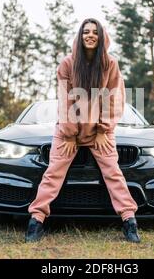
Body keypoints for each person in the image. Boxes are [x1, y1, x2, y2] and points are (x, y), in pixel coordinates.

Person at [25, 18, 140, 243]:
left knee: (114, 173)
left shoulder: (110, 64)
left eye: (94, 32)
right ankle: (36, 221)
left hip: (99, 131)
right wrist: (69, 134)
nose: (90, 35)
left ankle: (129, 221)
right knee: (53, 174)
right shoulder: (67, 64)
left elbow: (115, 99)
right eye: (85, 32)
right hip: (69, 132)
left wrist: (102, 130)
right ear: (80, 36)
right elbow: (64, 101)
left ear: (101, 37)